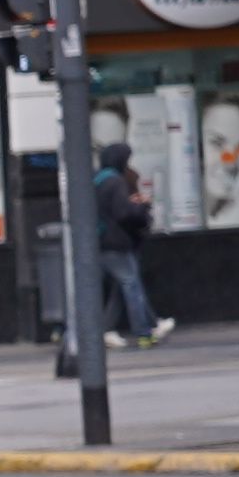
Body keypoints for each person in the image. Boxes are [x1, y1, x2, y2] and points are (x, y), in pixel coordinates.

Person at [94, 144, 159, 344]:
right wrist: (141, 206)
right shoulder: (115, 181)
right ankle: (144, 332)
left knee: (119, 287)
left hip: (99, 241)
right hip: (116, 243)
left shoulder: (97, 180)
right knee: (132, 286)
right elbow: (123, 213)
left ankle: (107, 329)